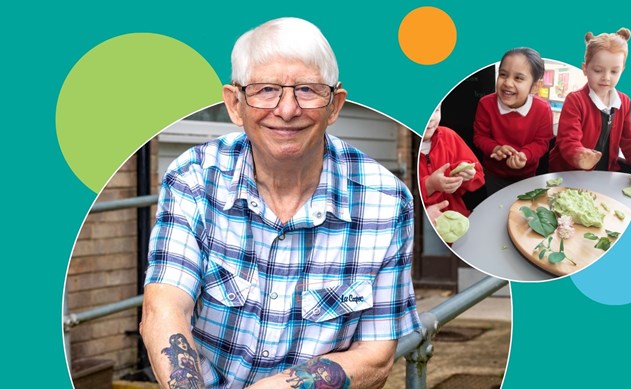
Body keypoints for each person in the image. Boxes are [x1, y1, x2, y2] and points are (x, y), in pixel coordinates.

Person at [140, 17, 420, 389]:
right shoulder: (193, 177)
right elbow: (165, 308)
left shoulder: (387, 201)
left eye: (306, 89)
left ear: (334, 105)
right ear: (235, 104)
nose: (287, 109)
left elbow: (376, 357)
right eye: (266, 89)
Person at [548, 28, 631, 180]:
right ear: (585, 69)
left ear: (622, 70)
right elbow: (568, 140)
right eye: (598, 70)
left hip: (604, 174)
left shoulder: (624, 102)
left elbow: (630, 141)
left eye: (614, 72)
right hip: (568, 174)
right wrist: (579, 156)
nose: (606, 77)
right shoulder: (575, 100)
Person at [473, 47, 555, 195]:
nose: (508, 83)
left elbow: (542, 142)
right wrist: (496, 148)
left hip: (527, 176)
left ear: (535, 86)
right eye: (503, 75)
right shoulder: (485, 104)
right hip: (493, 175)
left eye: (518, 78)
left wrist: (525, 155)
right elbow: (480, 137)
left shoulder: (543, 109)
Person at [419, 105, 484, 218]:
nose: (431, 118)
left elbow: (479, 175)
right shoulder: (399, 152)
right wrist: (429, 185)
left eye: (436, 110)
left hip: (458, 218)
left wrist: (466, 177)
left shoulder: (449, 136)